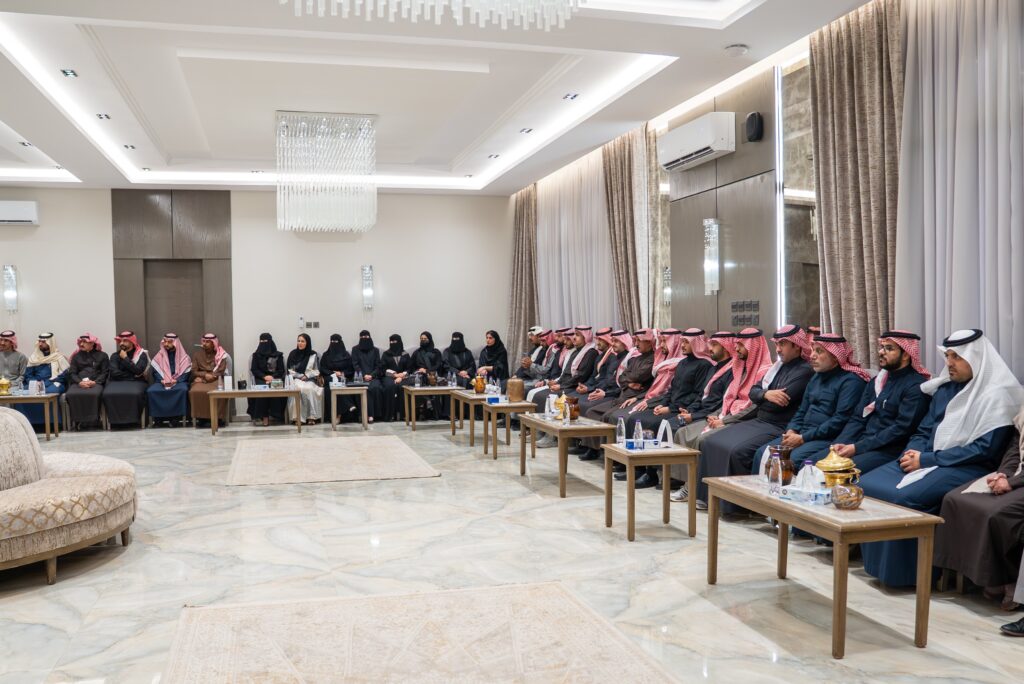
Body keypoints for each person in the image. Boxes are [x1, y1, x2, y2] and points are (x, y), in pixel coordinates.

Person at [860, 329, 1023, 587]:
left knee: (903, 497)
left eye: (957, 357)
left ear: (976, 358)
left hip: (968, 466)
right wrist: (911, 453)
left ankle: (910, 576)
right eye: (947, 356)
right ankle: (876, 567)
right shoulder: (946, 389)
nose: (949, 363)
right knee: (867, 484)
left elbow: (984, 449)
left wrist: (925, 460)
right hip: (928, 457)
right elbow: (924, 429)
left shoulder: (998, 394)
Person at [694, 325, 813, 507]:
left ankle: (734, 505)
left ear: (796, 346)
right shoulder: (777, 367)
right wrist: (766, 394)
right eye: (776, 344)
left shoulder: (804, 371)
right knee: (711, 441)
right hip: (760, 420)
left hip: (777, 425)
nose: (778, 349)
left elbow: (779, 403)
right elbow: (754, 392)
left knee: (736, 451)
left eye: (782, 344)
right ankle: (708, 497)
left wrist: (762, 396)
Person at [935, 406, 1024, 610]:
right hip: (1017, 474)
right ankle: (970, 575)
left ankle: (1005, 579)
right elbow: (1015, 445)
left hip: (1021, 481)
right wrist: (1004, 474)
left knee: (996, 513)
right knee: (954, 500)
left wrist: (1013, 482)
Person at [751, 333, 870, 474]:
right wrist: (791, 430)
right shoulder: (816, 377)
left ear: (835, 356)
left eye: (819, 351)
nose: (812, 356)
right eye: (813, 350)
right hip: (802, 434)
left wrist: (802, 438)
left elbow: (840, 420)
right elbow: (801, 410)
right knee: (761, 453)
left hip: (826, 438)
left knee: (788, 461)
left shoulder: (851, 382)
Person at [827, 331, 932, 473]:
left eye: (889, 348)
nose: (881, 352)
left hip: (889, 449)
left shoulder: (915, 386)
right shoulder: (876, 381)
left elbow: (900, 430)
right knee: (817, 463)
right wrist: (840, 443)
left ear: (906, 355)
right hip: (862, 442)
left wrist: (856, 448)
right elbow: (858, 418)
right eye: (882, 347)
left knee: (838, 471)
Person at [669, 332, 735, 502]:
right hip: (702, 411)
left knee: (695, 436)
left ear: (726, 346)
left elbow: (722, 402)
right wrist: (689, 411)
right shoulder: (714, 368)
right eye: (710, 344)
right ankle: (685, 482)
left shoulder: (732, 370)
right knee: (677, 429)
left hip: (715, 414)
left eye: (714, 345)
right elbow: (701, 395)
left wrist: (694, 416)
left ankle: (692, 486)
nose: (710, 348)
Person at [531, 325, 599, 417]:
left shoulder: (591, 352)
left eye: (577, 335)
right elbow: (565, 373)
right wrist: (558, 382)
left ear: (585, 337)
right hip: (569, 384)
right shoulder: (576, 351)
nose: (574, 337)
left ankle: (557, 424)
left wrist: (561, 386)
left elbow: (581, 376)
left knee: (552, 396)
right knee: (542, 395)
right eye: (574, 334)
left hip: (575, 385)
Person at [576, 329, 633, 416]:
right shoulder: (613, 358)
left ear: (624, 342)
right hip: (606, 392)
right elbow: (598, 377)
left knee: (586, 407)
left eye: (616, 341)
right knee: (574, 400)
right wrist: (587, 387)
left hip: (615, 395)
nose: (612, 344)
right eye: (612, 341)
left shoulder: (628, 359)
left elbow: (622, 386)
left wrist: (601, 392)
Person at [18, 333, 70, 427]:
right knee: (23, 393)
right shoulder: (34, 358)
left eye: (43, 342)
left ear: (50, 343)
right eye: (39, 341)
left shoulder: (58, 357)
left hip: (54, 382)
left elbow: (64, 375)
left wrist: (45, 383)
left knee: (49, 392)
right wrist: (35, 383)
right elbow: (28, 375)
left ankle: (52, 424)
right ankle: (29, 424)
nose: (40, 344)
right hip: (35, 383)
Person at [102, 331, 150, 427]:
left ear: (132, 342)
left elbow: (138, 370)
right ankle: (115, 422)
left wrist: (125, 359)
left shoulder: (141, 355)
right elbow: (114, 373)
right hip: (118, 382)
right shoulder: (115, 355)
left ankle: (134, 421)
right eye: (120, 341)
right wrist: (132, 375)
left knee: (136, 394)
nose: (121, 343)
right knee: (107, 393)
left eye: (125, 341)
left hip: (137, 382)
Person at [66, 333, 109, 428]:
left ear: (92, 343)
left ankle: (94, 420)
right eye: (80, 342)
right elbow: (72, 373)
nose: (81, 344)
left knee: (94, 394)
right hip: (79, 383)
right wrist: (79, 382)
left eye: (84, 342)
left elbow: (105, 372)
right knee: (71, 394)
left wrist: (95, 382)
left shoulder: (102, 355)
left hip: (96, 383)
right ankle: (77, 420)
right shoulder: (76, 356)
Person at [147, 333, 191, 427]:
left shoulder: (184, 357)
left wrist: (177, 380)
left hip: (179, 381)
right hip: (162, 381)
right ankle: (158, 419)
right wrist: (161, 380)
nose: (166, 344)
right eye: (165, 342)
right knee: (152, 391)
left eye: (169, 342)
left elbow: (186, 372)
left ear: (175, 343)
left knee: (182, 390)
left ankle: (175, 418)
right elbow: (155, 371)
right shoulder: (159, 356)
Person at [189, 333, 228, 426]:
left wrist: (209, 377)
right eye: (203, 341)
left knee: (219, 392)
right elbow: (194, 371)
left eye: (207, 342)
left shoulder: (221, 354)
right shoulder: (197, 355)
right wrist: (204, 375)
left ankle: (218, 418)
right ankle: (201, 419)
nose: (204, 344)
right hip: (201, 379)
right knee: (195, 391)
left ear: (213, 343)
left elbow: (221, 370)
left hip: (216, 379)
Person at [248, 333, 286, 427]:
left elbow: (281, 370)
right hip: (261, 378)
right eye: (261, 341)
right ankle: (264, 416)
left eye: (265, 341)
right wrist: (264, 377)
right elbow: (254, 369)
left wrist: (272, 377)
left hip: (275, 378)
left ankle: (276, 414)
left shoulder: (278, 355)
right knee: (263, 389)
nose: (263, 343)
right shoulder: (256, 355)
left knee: (274, 387)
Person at [320, 334, 359, 423]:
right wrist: (333, 373)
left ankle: (339, 415)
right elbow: (322, 368)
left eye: (336, 341)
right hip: (329, 378)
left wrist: (341, 373)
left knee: (341, 384)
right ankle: (348, 405)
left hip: (343, 377)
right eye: (332, 341)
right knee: (331, 386)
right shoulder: (326, 355)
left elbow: (350, 370)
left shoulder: (346, 355)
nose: (334, 343)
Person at [287, 333, 322, 425]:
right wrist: (300, 376)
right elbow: (290, 370)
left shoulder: (313, 354)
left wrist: (307, 376)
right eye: (298, 341)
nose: (300, 343)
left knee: (309, 389)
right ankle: (298, 418)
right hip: (296, 379)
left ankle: (311, 417)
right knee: (298, 389)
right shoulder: (293, 354)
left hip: (309, 379)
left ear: (307, 343)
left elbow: (317, 370)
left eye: (302, 341)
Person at [351, 330, 384, 423]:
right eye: (362, 337)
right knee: (363, 388)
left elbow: (378, 366)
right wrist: (363, 375)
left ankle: (372, 415)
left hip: (373, 377)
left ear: (369, 337)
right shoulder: (355, 349)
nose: (364, 338)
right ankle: (365, 415)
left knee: (375, 387)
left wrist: (371, 375)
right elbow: (355, 364)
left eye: (366, 337)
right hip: (359, 377)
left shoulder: (375, 350)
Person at [381, 334, 412, 421]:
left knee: (402, 387)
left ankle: (404, 415)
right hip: (389, 376)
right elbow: (383, 368)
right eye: (391, 341)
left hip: (403, 377)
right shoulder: (386, 354)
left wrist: (401, 376)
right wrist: (394, 375)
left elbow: (409, 368)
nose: (393, 343)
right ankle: (389, 415)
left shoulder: (405, 354)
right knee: (390, 387)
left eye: (395, 341)